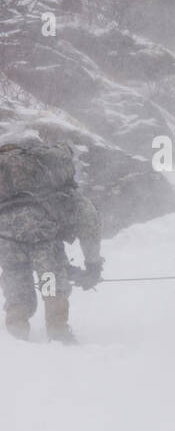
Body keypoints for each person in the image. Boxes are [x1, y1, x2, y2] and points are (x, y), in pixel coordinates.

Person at [0, 140, 102, 343]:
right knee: (51, 283)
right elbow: (89, 223)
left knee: (17, 286)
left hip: (5, 236)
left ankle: (16, 339)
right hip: (42, 236)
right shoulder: (59, 188)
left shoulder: (6, 182)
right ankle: (59, 334)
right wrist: (93, 265)